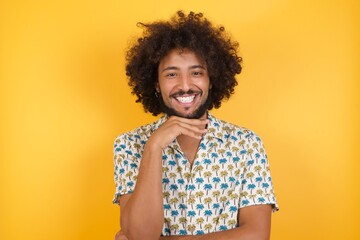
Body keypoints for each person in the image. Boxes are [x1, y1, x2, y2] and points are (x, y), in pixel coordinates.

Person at [113, 11, 278, 240]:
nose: (185, 85)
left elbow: (257, 235)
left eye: (197, 73)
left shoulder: (246, 144)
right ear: (156, 84)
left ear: (212, 80)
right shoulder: (130, 145)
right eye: (171, 74)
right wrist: (153, 147)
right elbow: (141, 235)